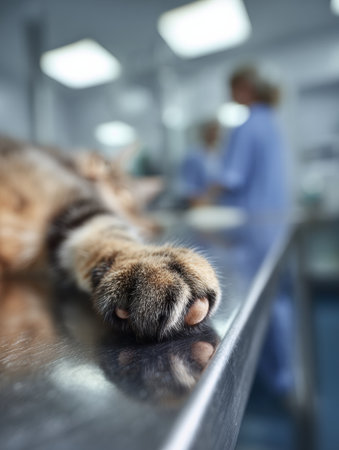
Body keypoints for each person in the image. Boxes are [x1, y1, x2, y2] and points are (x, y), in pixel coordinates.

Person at [215, 65, 290, 216]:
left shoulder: (247, 126)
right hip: (275, 213)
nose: (230, 95)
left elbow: (232, 178)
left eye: (232, 89)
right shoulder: (271, 121)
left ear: (245, 88)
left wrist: (206, 196)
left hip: (250, 215)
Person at [180, 120, 222, 208]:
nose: (215, 134)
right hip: (199, 202)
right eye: (212, 131)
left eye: (216, 131)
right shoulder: (193, 155)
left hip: (218, 202)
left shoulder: (220, 154)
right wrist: (197, 200)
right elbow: (188, 184)